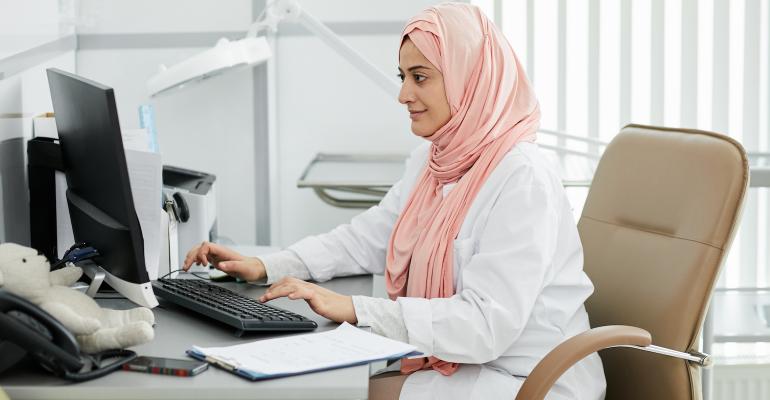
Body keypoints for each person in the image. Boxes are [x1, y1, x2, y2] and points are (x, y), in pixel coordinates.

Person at [183, 3, 606, 399]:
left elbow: (484, 326)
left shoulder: (522, 178)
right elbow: (370, 236)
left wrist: (354, 308)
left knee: (338, 392)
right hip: (465, 363)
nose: (403, 94)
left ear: (469, 79)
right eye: (402, 76)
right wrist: (270, 265)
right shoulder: (434, 158)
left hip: (529, 378)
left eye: (419, 77)